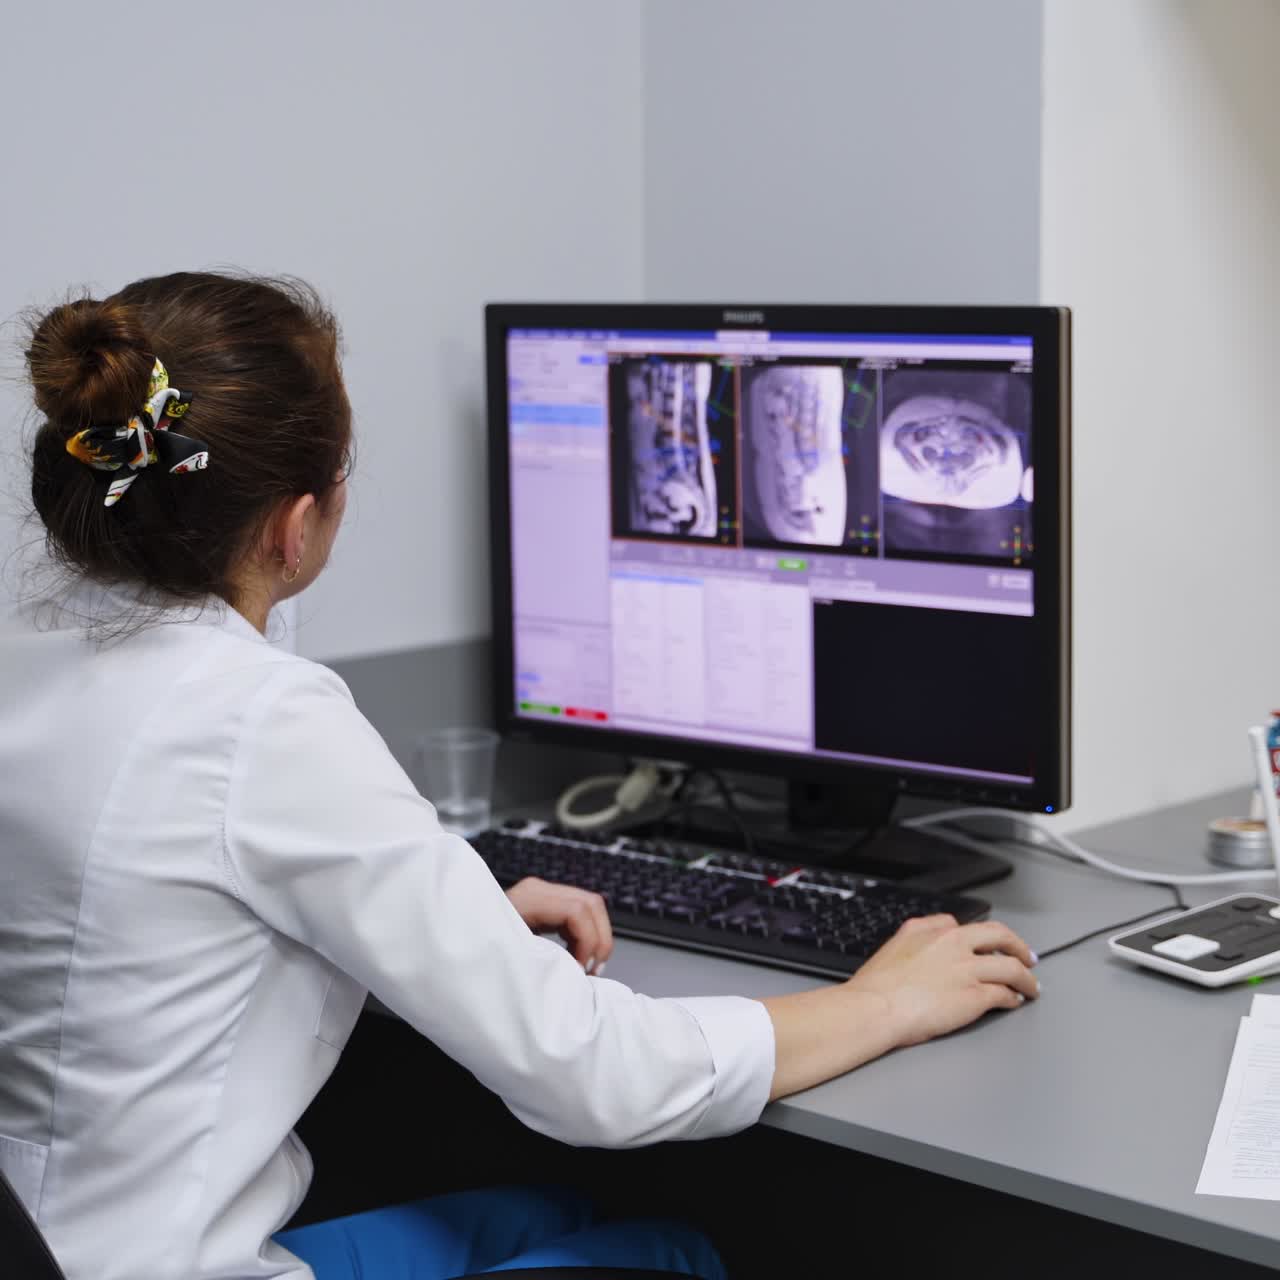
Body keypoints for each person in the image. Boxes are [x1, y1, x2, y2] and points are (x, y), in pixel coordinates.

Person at [0, 272, 1040, 1280]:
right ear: (295, 523)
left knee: (552, 1214)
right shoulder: (260, 715)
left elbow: (155, 910)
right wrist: (886, 1002)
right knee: (674, 1248)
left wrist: (457, 910)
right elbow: (598, 1079)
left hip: (63, 1240)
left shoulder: (28, 666)